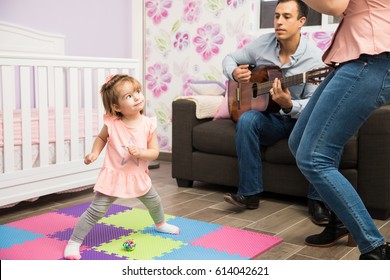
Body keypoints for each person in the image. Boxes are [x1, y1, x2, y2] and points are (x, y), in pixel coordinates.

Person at [288, 0, 390, 259]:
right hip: (354, 61)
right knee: (299, 142)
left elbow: (333, 5)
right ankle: (341, 220)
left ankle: (375, 249)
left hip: (370, 60)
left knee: (313, 157)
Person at [222, 0, 330, 225]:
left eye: (287, 17)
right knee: (247, 120)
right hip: (270, 118)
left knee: (322, 128)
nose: (279, 22)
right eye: (277, 16)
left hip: (299, 120)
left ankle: (317, 200)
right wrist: (234, 72)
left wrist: (289, 105)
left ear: (301, 22)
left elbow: (314, 103)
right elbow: (229, 58)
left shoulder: (314, 59)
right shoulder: (263, 44)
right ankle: (249, 194)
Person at [64, 74, 179, 260]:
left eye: (138, 92)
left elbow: (154, 152)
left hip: (137, 175)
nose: (137, 97)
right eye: (129, 96)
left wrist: (141, 153)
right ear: (117, 107)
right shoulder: (113, 123)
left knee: (154, 201)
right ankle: (74, 242)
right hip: (114, 176)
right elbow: (101, 138)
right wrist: (94, 153)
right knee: (96, 210)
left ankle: (160, 224)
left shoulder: (149, 124)